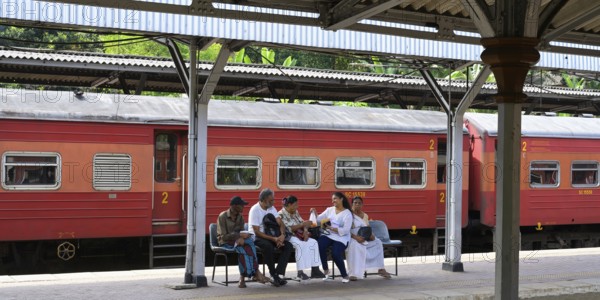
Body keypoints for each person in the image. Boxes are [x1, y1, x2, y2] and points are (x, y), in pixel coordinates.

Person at [216, 196, 270, 288]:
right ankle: (255, 272)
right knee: (247, 247)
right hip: (225, 242)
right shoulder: (222, 216)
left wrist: (243, 237)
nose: (243, 207)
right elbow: (223, 237)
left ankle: (243, 279)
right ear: (234, 206)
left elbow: (241, 232)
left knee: (244, 248)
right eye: (242, 205)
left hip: (238, 242)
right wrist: (239, 237)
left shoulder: (240, 217)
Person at [248, 188, 293, 287]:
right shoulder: (255, 210)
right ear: (264, 200)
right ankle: (273, 274)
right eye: (271, 200)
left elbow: (280, 223)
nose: (273, 202)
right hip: (257, 237)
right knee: (267, 246)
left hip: (273, 235)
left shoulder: (272, 208)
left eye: (273, 199)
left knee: (288, 246)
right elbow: (257, 232)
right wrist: (274, 239)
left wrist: (282, 235)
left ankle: (277, 274)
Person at [278, 195, 326, 281]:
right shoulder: (281, 214)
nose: (297, 207)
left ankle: (315, 270)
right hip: (289, 236)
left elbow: (302, 222)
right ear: (289, 204)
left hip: (299, 234)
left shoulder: (295, 212)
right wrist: (302, 225)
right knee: (300, 245)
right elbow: (289, 228)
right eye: (295, 205)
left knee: (314, 242)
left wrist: (305, 231)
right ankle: (300, 272)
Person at [310, 192, 353, 283]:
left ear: (341, 199)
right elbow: (318, 220)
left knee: (335, 254)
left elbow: (345, 230)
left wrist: (331, 228)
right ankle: (326, 270)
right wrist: (315, 212)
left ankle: (344, 275)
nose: (333, 201)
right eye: (332, 199)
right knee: (320, 244)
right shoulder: (329, 209)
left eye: (335, 199)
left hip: (341, 237)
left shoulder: (347, 213)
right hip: (329, 234)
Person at [346, 196, 391, 280]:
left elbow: (367, 227)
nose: (357, 205)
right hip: (352, 237)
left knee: (378, 242)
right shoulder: (348, 215)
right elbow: (346, 230)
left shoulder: (365, 215)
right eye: (355, 203)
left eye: (359, 203)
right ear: (352, 204)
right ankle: (353, 273)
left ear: (362, 205)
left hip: (364, 236)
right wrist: (356, 237)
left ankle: (381, 268)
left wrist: (371, 235)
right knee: (355, 245)